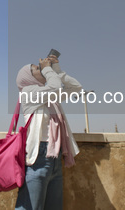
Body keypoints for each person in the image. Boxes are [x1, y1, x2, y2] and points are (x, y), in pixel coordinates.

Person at [15, 54, 83, 210]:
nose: (40, 67)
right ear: (27, 78)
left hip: (55, 158)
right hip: (39, 158)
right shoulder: (28, 92)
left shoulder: (48, 95)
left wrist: (56, 69)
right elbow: (57, 87)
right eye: (35, 68)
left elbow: (76, 88)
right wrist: (47, 70)